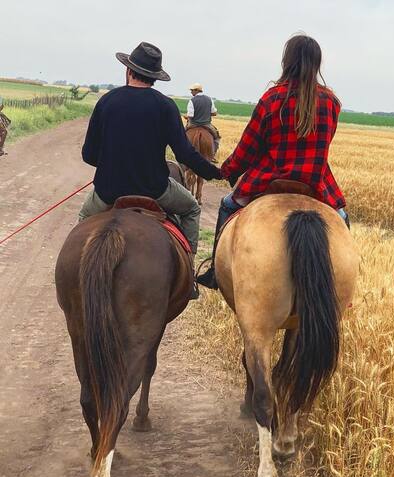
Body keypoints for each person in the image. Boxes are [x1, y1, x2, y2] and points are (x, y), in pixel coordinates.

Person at [197, 34, 349, 289]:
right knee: (342, 219)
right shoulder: (331, 102)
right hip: (315, 183)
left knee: (226, 205)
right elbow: (324, 143)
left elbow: (248, 147)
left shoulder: (272, 98)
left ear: (287, 61)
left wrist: (228, 170)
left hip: (270, 180)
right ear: (316, 63)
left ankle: (215, 271)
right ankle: (342, 287)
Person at [79, 42, 221, 262]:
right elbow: (185, 154)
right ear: (155, 77)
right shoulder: (166, 106)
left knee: (84, 217)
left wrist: (114, 163)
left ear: (129, 70)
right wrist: (214, 172)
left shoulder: (106, 101)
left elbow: (88, 154)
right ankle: (190, 268)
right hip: (155, 190)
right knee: (192, 208)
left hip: (108, 190)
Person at [185, 83, 221, 158]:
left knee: (181, 136)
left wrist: (186, 116)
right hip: (206, 124)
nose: (191, 92)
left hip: (193, 124)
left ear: (196, 90)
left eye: (192, 90)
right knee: (217, 137)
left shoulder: (192, 100)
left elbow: (190, 115)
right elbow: (214, 113)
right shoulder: (209, 99)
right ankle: (212, 155)